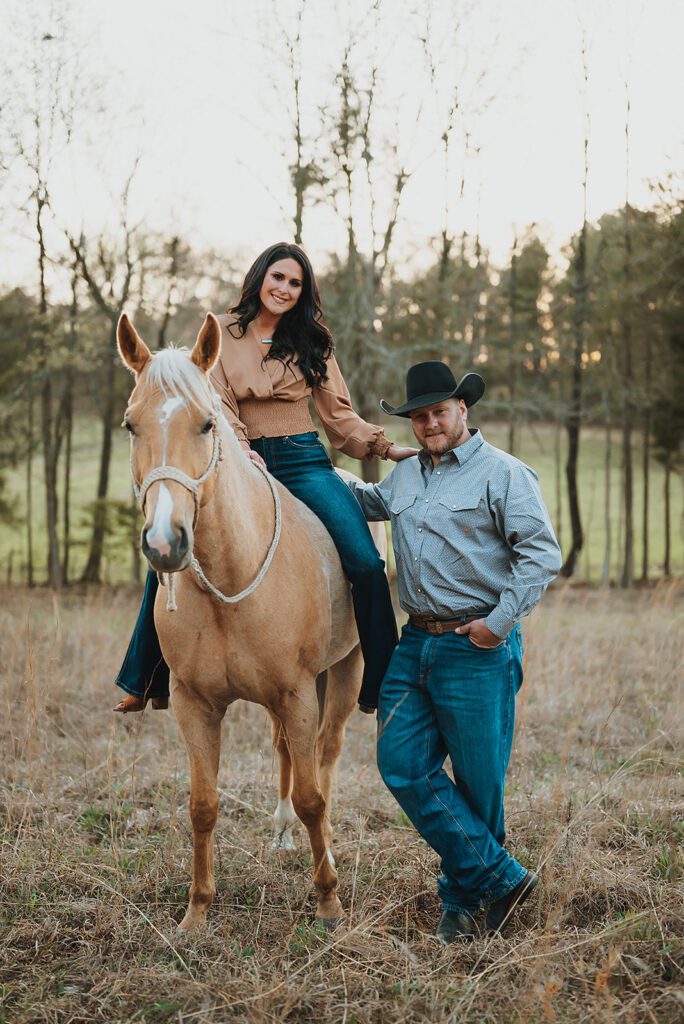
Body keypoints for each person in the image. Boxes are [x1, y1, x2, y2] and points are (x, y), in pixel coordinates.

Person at [113, 242, 417, 716]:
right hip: (240, 460)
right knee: (172, 549)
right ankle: (144, 676)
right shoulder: (222, 336)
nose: (285, 289)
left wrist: (384, 446)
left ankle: (386, 679)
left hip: (303, 461)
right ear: (260, 277)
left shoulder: (315, 341)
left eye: (296, 283)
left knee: (365, 561)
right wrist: (241, 450)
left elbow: (338, 417)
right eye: (278, 278)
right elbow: (219, 408)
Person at [346, 360, 562, 942]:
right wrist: (296, 470)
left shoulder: (504, 474)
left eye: (439, 412)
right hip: (414, 641)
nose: (429, 424)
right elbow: (368, 501)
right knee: (400, 764)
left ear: (463, 410)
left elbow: (541, 554)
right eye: (419, 416)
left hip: (477, 645)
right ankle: (503, 878)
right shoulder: (410, 475)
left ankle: (465, 904)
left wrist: (497, 624)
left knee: (477, 781)